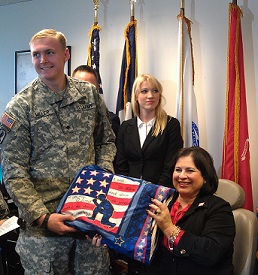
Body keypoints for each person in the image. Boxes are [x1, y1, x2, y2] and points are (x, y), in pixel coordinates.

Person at [0, 29, 116, 275]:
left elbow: (105, 141)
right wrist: (43, 217)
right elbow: (13, 172)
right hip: (44, 234)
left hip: (88, 220)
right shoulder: (21, 107)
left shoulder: (89, 95)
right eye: (36, 55)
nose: (42, 61)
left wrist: (101, 179)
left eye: (49, 53)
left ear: (65, 55)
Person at [146, 146, 235, 275]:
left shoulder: (219, 209)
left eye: (190, 170)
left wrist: (168, 228)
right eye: (178, 170)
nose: (181, 176)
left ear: (205, 176)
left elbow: (210, 253)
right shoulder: (163, 201)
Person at [115, 74, 183, 188]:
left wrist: (154, 193)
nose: (150, 95)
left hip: (160, 192)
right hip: (128, 192)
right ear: (136, 96)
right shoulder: (125, 127)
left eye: (155, 91)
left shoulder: (171, 125)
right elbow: (121, 166)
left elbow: (171, 166)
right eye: (144, 91)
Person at [72, 65, 120, 138]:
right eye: (79, 86)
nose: (83, 92)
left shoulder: (110, 120)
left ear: (97, 89)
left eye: (89, 88)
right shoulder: (59, 116)